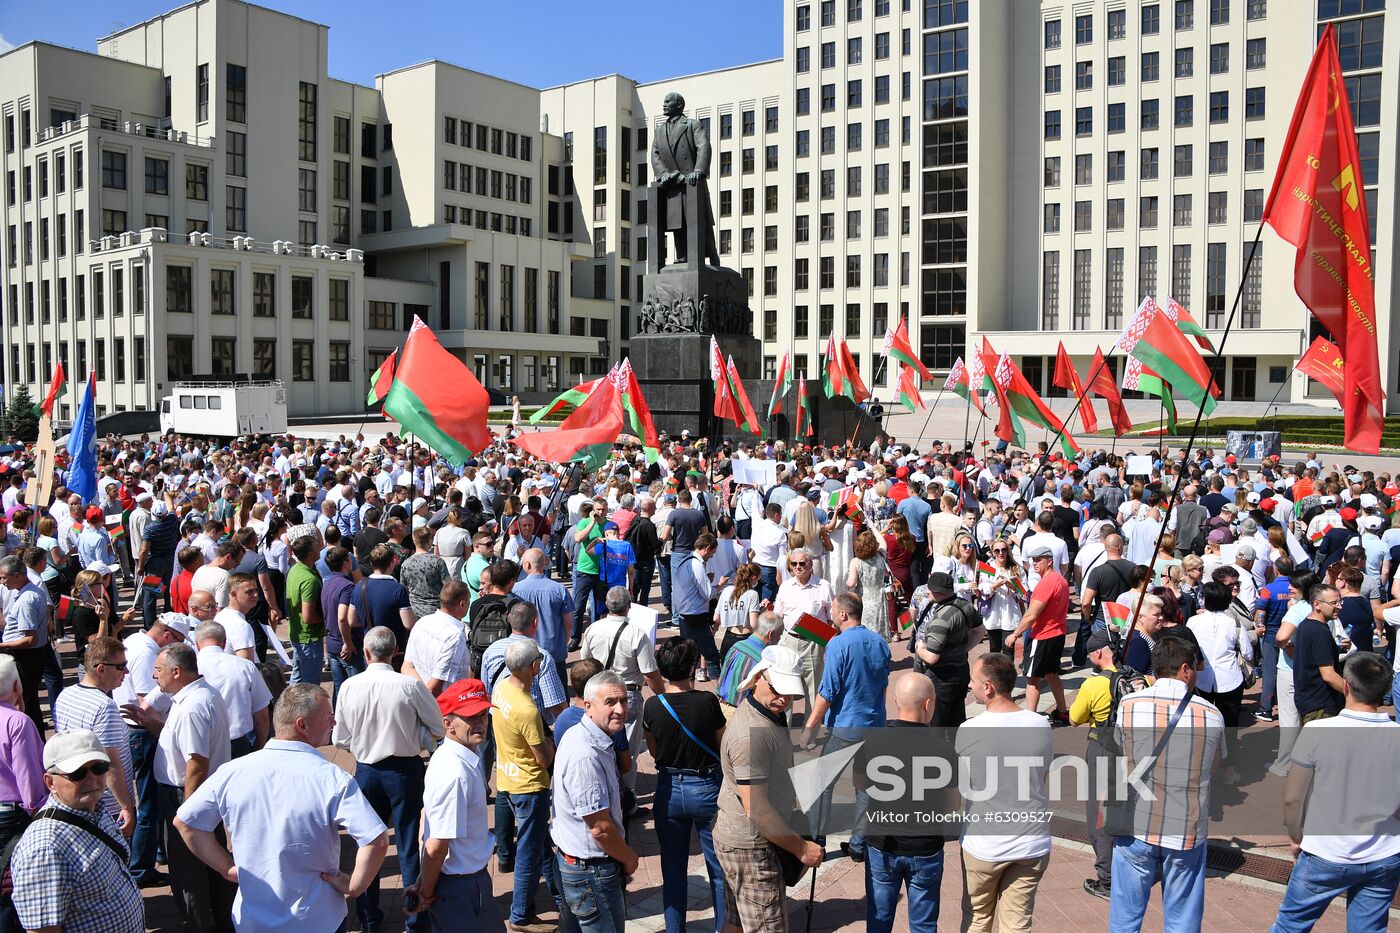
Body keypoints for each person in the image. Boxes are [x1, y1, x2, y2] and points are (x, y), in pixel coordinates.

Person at [174, 684, 390, 933]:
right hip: (316, 918)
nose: (334, 722)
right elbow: (377, 840)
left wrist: (226, 867)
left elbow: (186, 823)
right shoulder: (331, 778)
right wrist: (355, 886)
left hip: (252, 920)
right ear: (302, 725)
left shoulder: (232, 772)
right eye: (328, 717)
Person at [1270, 651, 1400, 932]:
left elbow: (1293, 797)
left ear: (1346, 685)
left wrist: (1295, 836)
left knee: (1290, 925)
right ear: (1387, 689)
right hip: (1385, 855)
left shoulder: (1317, 730)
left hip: (1325, 853)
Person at [331, 626, 443, 933]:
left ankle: (368, 917)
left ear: (366, 653)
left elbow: (340, 738)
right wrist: (419, 737)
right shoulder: (409, 686)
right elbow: (438, 727)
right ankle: (415, 917)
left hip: (367, 771)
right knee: (408, 844)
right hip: (405, 771)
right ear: (396, 652)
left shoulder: (351, 687)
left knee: (368, 843)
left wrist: (364, 743)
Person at [1108, 637, 1225, 933]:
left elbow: (1123, 748)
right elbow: (1213, 767)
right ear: (1185, 670)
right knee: (1182, 916)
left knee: (1125, 917)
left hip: (1135, 823)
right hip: (1185, 827)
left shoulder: (1130, 703)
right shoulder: (1211, 714)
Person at [123, 642, 235, 933]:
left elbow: (196, 763)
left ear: (176, 671)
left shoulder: (191, 708)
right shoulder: (198, 696)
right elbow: (183, 746)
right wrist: (151, 723)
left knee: (188, 869)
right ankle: (222, 918)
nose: (153, 676)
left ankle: (199, 924)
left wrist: (187, 811)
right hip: (196, 792)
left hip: (185, 794)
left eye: (158, 670)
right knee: (209, 858)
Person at [713, 645, 821, 932]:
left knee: (736, 921)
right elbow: (757, 809)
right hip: (752, 848)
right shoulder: (751, 736)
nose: (784, 699)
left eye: (791, 692)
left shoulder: (762, 708)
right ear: (759, 676)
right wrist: (802, 848)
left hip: (738, 838)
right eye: (777, 689)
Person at [8, 729, 144, 933]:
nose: (92, 780)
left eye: (99, 768)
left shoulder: (93, 808)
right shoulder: (45, 849)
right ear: (50, 782)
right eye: (77, 773)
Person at [957, 653, 1053, 933]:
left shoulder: (970, 729)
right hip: (1031, 841)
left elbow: (965, 784)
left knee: (977, 919)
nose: (970, 686)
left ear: (988, 687)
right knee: (1018, 923)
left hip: (985, 844)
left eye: (973, 681)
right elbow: (1042, 774)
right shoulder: (1040, 724)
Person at [642, 638, 728, 933]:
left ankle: (674, 928)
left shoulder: (652, 706)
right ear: (692, 667)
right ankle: (723, 927)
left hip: (669, 788)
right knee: (718, 869)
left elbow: (654, 752)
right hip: (706, 785)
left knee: (673, 870)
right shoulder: (707, 701)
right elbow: (721, 744)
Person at [854, 673, 952, 933]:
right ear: (928, 705)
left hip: (882, 845)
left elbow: (861, 786)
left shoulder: (872, 742)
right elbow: (953, 806)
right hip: (926, 847)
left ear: (894, 701)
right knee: (923, 925)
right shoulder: (944, 750)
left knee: (878, 921)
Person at [410, 677, 505, 933]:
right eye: (470, 716)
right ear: (448, 723)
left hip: (460, 882)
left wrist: (423, 881)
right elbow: (437, 843)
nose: (480, 722)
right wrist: (426, 890)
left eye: (483, 714)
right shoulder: (455, 773)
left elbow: (425, 818)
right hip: (461, 888)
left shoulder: (457, 758)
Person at [550, 670, 641, 933]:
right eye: (610, 702)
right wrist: (629, 859)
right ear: (587, 706)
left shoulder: (586, 736)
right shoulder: (585, 756)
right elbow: (600, 828)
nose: (620, 710)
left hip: (579, 866)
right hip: (592, 872)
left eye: (623, 700)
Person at [802, 591, 890, 863]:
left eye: (833, 610)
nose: (830, 614)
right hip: (875, 724)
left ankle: (816, 839)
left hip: (846, 726)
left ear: (843, 614)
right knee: (865, 787)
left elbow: (827, 692)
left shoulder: (838, 645)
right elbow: (883, 684)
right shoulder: (880, 642)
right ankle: (858, 844)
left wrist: (809, 727)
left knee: (822, 783)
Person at [110, 611, 188, 886]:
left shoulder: (136, 641)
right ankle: (141, 867)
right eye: (177, 641)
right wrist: (172, 726)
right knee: (149, 803)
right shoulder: (146, 654)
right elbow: (147, 705)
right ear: (167, 635)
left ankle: (153, 853)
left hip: (134, 732)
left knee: (148, 801)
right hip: (141, 733)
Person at [490, 638, 558, 933]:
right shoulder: (527, 709)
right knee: (530, 855)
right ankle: (521, 916)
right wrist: (554, 741)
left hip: (507, 776)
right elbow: (543, 758)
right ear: (533, 666)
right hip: (530, 786)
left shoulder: (500, 688)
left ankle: (561, 895)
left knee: (542, 847)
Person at [52, 636, 138, 836]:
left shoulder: (66, 695)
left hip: (76, 795)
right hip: (106, 806)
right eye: (121, 666)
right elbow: (111, 765)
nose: (126, 671)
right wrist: (126, 806)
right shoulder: (104, 706)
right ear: (101, 669)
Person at [580, 586, 665, 788]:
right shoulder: (637, 634)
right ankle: (626, 799)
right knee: (627, 752)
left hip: (599, 693)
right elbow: (649, 672)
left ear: (607, 605)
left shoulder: (593, 629)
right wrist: (662, 695)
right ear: (629, 606)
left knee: (600, 745)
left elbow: (585, 661)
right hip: (627, 696)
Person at [1067, 630, 1121, 900]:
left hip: (1102, 750)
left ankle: (1107, 879)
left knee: (1100, 814)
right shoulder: (1139, 678)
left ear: (1099, 654)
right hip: (1131, 752)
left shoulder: (1094, 685)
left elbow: (1075, 718)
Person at [1003, 547, 1070, 724]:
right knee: (1052, 674)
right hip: (1057, 633)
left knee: (1032, 678)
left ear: (1049, 561)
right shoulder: (1061, 580)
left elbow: (1032, 615)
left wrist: (1015, 634)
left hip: (1043, 635)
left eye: (1038, 559)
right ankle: (1062, 712)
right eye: (1033, 560)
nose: (1034, 563)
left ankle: (1030, 719)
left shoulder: (1046, 583)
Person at [912, 571, 981, 728]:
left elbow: (931, 657)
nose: (927, 591)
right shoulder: (965, 604)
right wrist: (962, 649)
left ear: (939, 591)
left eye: (930, 589)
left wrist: (919, 647)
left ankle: (940, 752)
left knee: (937, 724)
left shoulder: (941, 619)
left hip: (941, 678)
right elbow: (980, 630)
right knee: (957, 719)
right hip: (961, 670)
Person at [193, 622, 272, 759]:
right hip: (240, 742)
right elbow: (262, 715)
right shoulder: (246, 666)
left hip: (199, 743)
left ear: (197, 643)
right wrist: (259, 749)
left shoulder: (188, 668)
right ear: (224, 643)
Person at [773, 547, 833, 713]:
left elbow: (832, 618)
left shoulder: (823, 586)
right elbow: (777, 616)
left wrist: (827, 642)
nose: (797, 567)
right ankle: (784, 736)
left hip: (813, 642)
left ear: (810, 564)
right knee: (785, 691)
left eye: (801, 563)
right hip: (789, 640)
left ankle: (810, 737)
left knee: (813, 692)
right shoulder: (785, 587)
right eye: (794, 564)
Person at [0, 554, 51, 736]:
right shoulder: (29, 593)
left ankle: (34, 742)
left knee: (27, 702)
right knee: (29, 701)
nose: (2, 582)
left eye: (4, 577)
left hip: (25, 658)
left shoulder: (26, 600)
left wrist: (2, 645)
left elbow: (30, 639)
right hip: (29, 657)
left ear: (17, 575)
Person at [1288, 583, 1346, 722]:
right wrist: (1354, 694)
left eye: (1340, 601)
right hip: (1321, 706)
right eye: (1334, 603)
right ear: (1317, 604)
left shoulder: (1306, 624)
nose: (1339, 606)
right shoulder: (1319, 632)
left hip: (1310, 701)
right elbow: (1329, 675)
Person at [401, 581, 471, 696]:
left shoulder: (422, 622)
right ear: (462, 604)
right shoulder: (454, 636)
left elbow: (407, 667)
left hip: (421, 699)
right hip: (444, 707)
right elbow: (434, 689)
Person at [513, 548, 573, 667]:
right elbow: (568, 620)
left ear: (527, 564)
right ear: (544, 563)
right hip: (554, 651)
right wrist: (564, 641)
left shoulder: (515, 590)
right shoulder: (559, 589)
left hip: (525, 652)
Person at [673, 532, 720, 681]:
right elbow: (707, 593)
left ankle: (688, 688)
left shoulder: (685, 561)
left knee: (689, 657)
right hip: (696, 616)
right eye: (712, 552)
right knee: (711, 655)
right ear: (707, 548)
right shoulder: (696, 565)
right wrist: (719, 586)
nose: (712, 556)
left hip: (685, 615)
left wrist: (707, 580)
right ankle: (720, 691)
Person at [716, 610, 785, 708]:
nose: (780, 638)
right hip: (740, 711)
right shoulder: (763, 659)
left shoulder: (736, 646)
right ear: (771, 634)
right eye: (780, 634)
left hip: (720, 704)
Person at [285, 533, 325, 686]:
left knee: (297, 678)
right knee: (310, 686)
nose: (320, 548)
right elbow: (308, 617)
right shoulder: (309, 579)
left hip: (297, 633)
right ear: (310, 554)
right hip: (309, 638)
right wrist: (327, 617)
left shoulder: (295, 570)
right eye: (317, 547)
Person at [846, 529, 892, 639]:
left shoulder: (856, 562)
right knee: (879, 629)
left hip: (863, 598)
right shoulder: (881, 555)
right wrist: (873, 527)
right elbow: (883, 542)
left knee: (865, 630)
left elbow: (851, 583)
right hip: (879, 596)